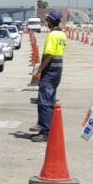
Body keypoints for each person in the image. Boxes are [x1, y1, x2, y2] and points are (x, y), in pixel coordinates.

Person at [30, 10, 66, 142]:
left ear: (50, 21)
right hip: (57, 71)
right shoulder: (62, 35)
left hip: (49, 72)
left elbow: (49, 54)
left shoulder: (52, 35)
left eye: (47, 20)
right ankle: (50, 128)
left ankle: (45, 131)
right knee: (50, 100)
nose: (46, 22)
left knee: (44, 101)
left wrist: (39, 71)